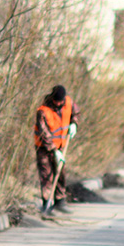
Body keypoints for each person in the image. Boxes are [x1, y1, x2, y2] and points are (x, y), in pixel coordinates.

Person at [34, 85, 80, 215]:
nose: (59, 103)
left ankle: (60, 201)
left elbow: (75, 113)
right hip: (44, 148)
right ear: (53, 99)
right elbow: (44, 134)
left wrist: (74, 124)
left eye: (61, 101)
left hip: (61, 146)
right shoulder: (43, 111)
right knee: (46, 176)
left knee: (60, 173)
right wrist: (54, 151)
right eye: (57, 101)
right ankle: (46, 203)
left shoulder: (68, 103)